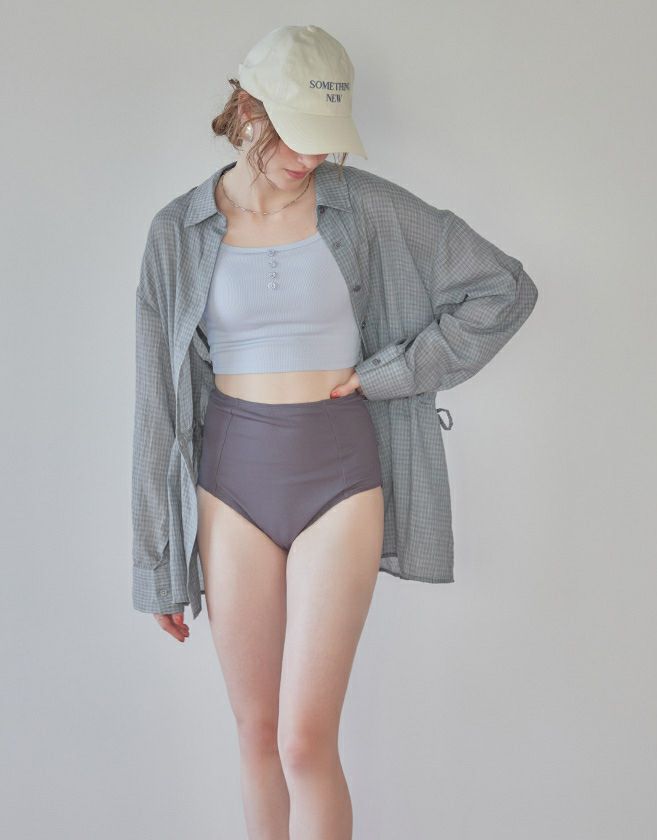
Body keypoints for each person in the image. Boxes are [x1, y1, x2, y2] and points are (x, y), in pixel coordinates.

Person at [132, 24, 538, 840]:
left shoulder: (367, 208)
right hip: (231, 484)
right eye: (296, 135)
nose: (312, 156)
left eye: (326, 139)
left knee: (303, 740)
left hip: (341, 478)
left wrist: (394, 372)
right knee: (256, 737)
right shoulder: (175, 233)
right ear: (247, 110)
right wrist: (158, 563)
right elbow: (156, 405)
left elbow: (504, 289)